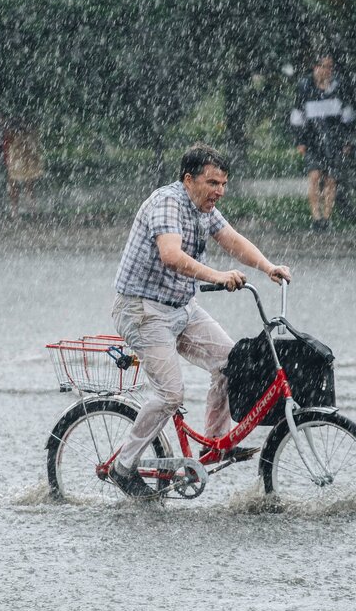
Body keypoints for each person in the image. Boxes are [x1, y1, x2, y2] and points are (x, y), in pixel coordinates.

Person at [108, 144, 293, 498]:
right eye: (212, 183)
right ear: (188, 180)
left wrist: (268, 267)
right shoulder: (168, 203)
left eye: (223, 184)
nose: (219, 191)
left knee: (231, 362)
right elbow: (171, 255)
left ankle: (214, 445)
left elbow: (232, 240)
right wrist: (217, 276)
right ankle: (123, 466)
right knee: (170, 393)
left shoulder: (206, 208)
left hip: (181, 307)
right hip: (143, 310)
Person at [290, 53, 355, 231]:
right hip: (313, 140)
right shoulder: (304, 87)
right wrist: (300, 140)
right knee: (314, 177)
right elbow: (297, 115)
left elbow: (347, 115)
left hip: (334, 140)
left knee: (331, 180)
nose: (328, 71)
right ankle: (316, 218)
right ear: (316, 67)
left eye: (330, 67)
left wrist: (346, 140)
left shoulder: (338, 87)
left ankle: (326, 218)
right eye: (325, 66)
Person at [1, 117, 43, 218]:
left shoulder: (13, 127)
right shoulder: (27, 128)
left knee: (21, 182)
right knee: (24, 182)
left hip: (20, 151)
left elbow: (8, 140)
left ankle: (20, 209)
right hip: (19, 151)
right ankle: (26, 208)